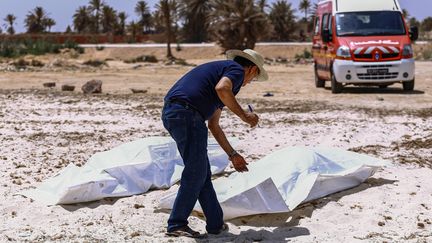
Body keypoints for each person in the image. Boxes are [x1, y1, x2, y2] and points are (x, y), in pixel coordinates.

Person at [161, 49, 268, 238]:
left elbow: (214, 125)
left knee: (202, 172)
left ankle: (215, 224)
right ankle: (177, 223)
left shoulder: (223, 74)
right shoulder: (235, 70)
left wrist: (233, 154)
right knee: (195, 172)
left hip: (177, 113)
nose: (250, 82)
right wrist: (244, 116)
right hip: (187, 114)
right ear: (251, 69)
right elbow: (222, 88)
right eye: (254, 78)